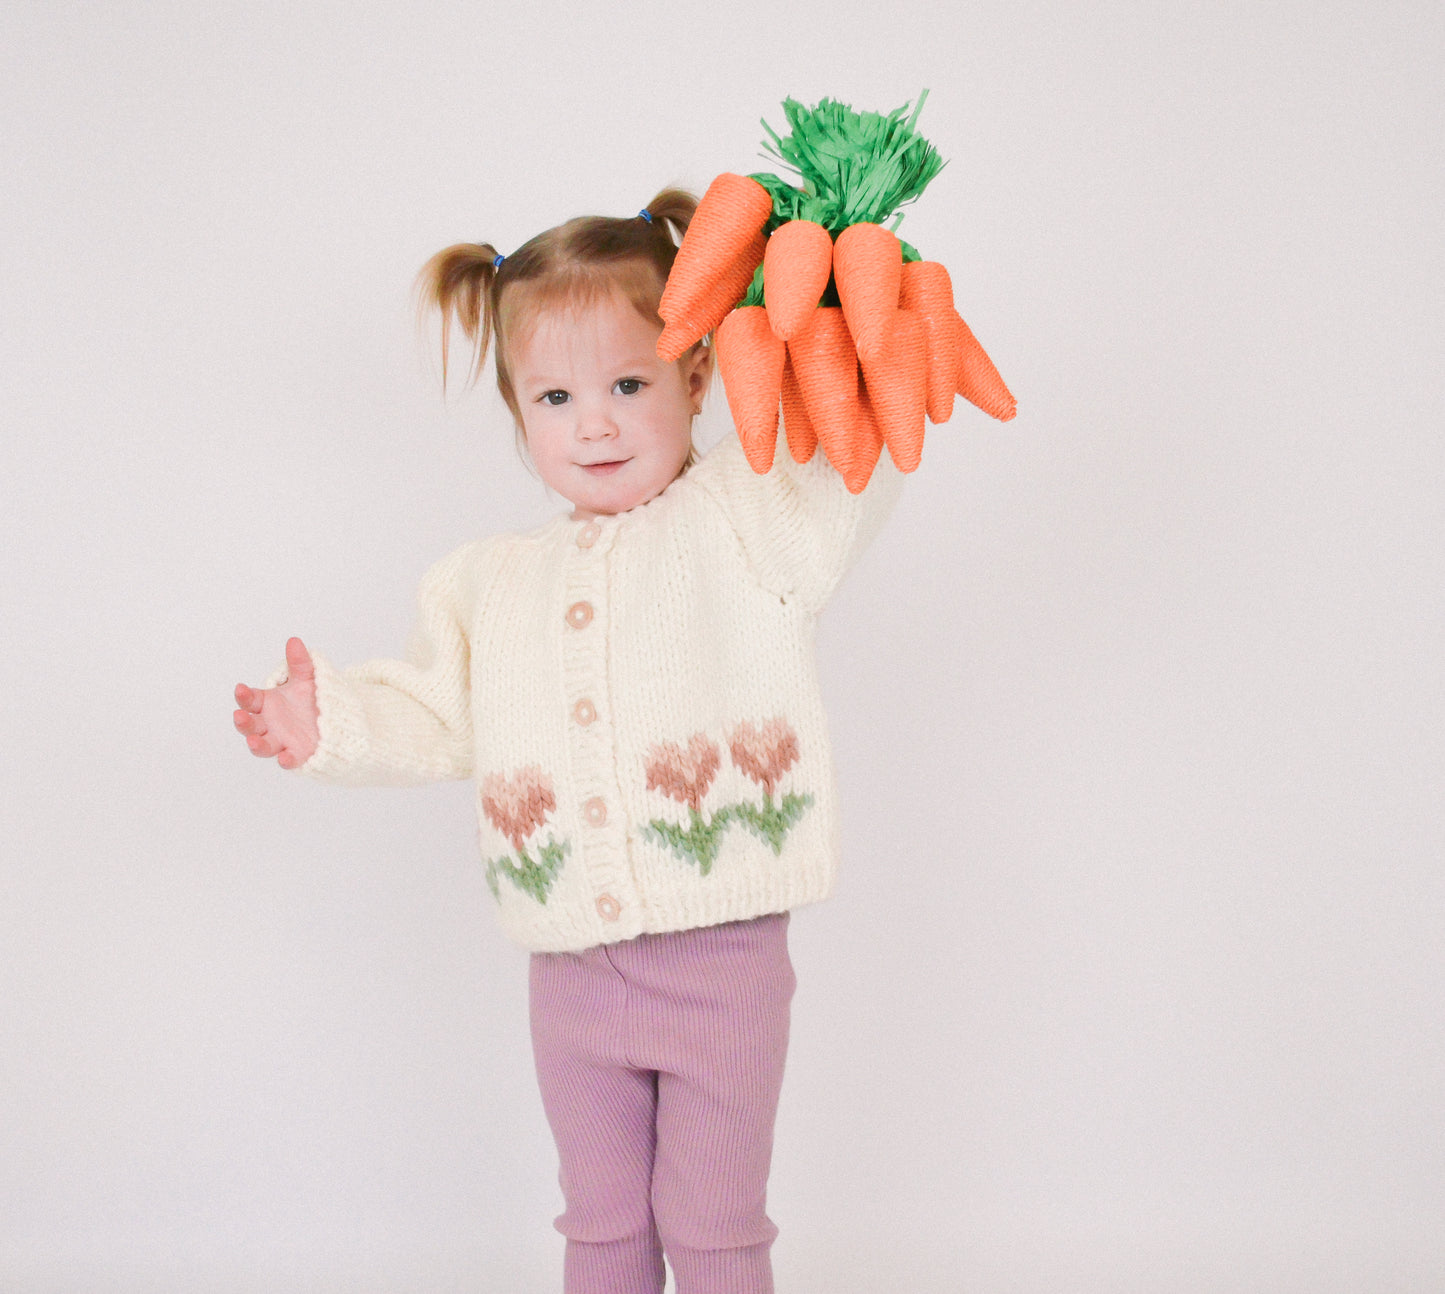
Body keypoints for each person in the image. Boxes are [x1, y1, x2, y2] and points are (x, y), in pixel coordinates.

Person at [232, 188, 904, 1294]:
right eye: (555, 396)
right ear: (517, 413)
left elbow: (843, 453)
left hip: (721, 965)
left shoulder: (745, 521)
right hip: (569, 975)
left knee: (715, 1221)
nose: (593, 422)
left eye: (628, 384)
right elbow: (437, 711)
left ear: (695, 379)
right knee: (597, 1224)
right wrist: (331, 723)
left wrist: (844, 320)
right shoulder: (487, 583)